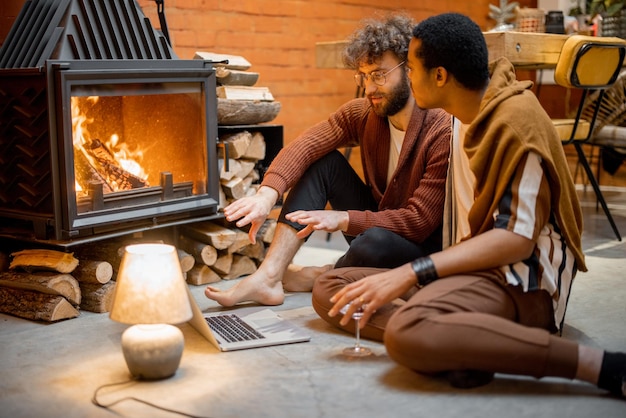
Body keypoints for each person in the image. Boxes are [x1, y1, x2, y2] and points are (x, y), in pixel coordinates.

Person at [312, 12, 626, 398]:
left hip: (520, 283)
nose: (406, 77)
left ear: (440, 76)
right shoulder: (460, 119)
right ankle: (464, 342)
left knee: (404, 331)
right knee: (332, 288)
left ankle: (603, 366)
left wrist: (412, 273)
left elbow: (516, 240)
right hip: (469, 268)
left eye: (410, 68)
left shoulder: (515, 123)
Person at [204, 13, 451, 307]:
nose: (369, 88)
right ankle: (268, 277)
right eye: (363, 76)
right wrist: (265, 197)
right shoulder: (364, 114)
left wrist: (343, 218)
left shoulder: (441, 128)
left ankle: (324, 274)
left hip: (419, 250)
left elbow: (419, 222)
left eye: (379, 75)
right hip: (378, 224)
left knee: (373, 242)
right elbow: (306, 146)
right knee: (323, 163)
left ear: (409, 69)